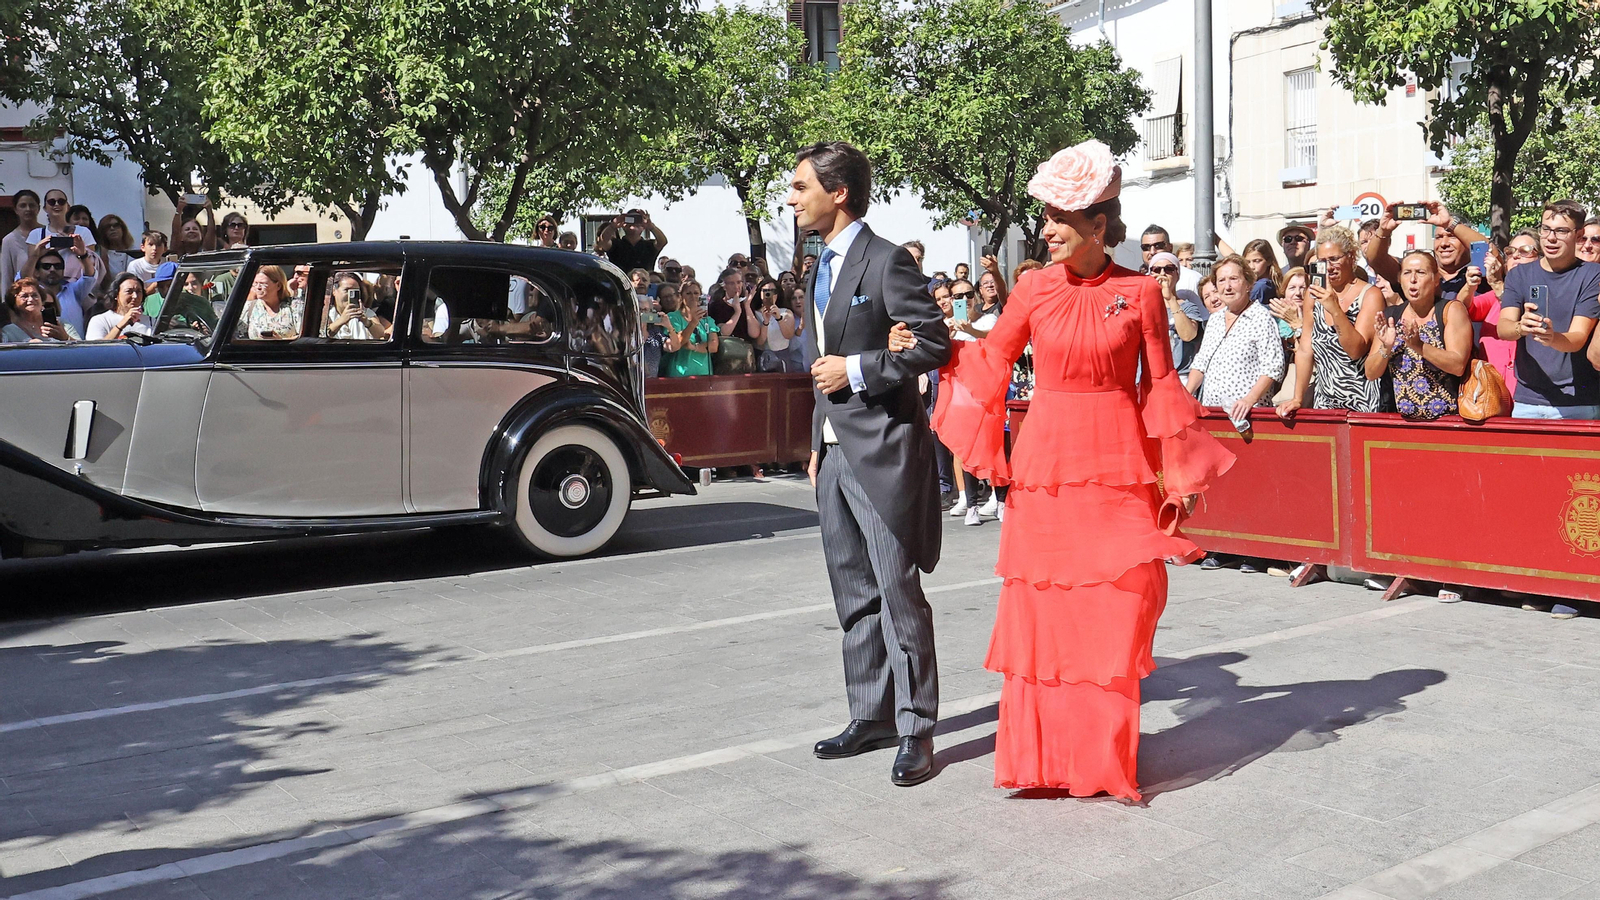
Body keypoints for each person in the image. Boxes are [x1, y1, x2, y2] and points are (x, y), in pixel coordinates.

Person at [905, 139, 1232, 800]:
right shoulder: (1031, 288)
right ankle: (1045, 761)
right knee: (1050, 612)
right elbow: (991, 362)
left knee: (1117, 605)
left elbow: (1161, 388)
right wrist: (931, 348)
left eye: (1058, 216)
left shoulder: (1140, 292)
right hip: (1047, 469)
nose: (1046, 228)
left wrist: (1178, 474)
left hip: (1117, 468)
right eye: (1046, 215)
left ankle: (1103, 760)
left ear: (1098, 225)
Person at [787, 141, 951, 788]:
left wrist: (859, 368)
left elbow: (932, 341)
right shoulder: (815, 269)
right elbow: (817, 368)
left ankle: (917, 728)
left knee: (897, 593)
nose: (793, 198)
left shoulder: (884, 262)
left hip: (884, 450)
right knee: (852, 594)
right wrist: (813, 443)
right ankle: (871, 713)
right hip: (832, 453)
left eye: (802, 187)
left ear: (839, 193)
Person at [1497, 199, 1600, 420]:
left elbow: (1578, 338)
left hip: (1578, 403)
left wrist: (1551, 337)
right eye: (1546, 229)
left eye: (1561, 231)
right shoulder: (1519, 274)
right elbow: (1503, 328)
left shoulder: (1592, 275)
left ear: (1579, 235)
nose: (1551, 238)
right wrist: (1520, 327)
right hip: (1527, 400)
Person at [1277, 226, 1385, 418]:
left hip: (1361, 402)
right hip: (1324, 402)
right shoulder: (1313, 294)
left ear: (1351, 257)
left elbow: (1356, 350)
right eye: (1322, 261)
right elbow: (1305, 350)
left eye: (1334, 259)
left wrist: (1334, 309)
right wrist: (1298, 398)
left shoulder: (1370, 295)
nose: (1328, 267)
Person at [1361, 251, 1471, 420]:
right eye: (1407, 273)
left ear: (1435, 279)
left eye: (1421, 272)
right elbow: (1370, 373)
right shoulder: (1391, 316)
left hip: (1447, 421)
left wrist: (1419, 346)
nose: (1413, 279)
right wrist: (1386, 347)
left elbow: (1457, 365)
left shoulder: (1450, 310)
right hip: (1400, 420)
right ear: (1399, 278)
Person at [1188, 255, 1285, 431]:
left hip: (1249, 418)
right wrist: (1186, 395)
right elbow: (1201, 363)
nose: (1228, 286)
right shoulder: (1215, 319)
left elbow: (1273, 367)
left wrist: (1249, 399)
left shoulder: (1261, 318)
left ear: (1248, 283)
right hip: (1213, 414)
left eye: (1234, 279)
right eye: (1222, 281)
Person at [21, 240, 96, 337]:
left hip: (74, 348)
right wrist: (35, 255)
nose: (52, 269)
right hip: (41, 348)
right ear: (36, 272)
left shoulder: (75, 290)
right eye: (46, 266)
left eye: (58, 266)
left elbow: (89, 276)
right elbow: (24, 279)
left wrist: (83, 255)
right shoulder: (32, 294)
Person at [1149, 251, 1204, 377]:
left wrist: (1171, 299)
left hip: (1179, 376)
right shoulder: (1143, 306)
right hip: (1150, 376)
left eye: (1169, 269)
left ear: (1177, 274)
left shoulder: (1188, 306)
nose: (1162, 274)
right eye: (1156, 270)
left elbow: (1188, 335)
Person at [27, 189, 98, 285]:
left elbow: (91, 262)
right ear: (45, 208)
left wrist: (73, 246)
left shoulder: (83, 232)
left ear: (67, 206)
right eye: (52, 202)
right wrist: (54, 250)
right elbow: (32, 264)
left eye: (61, 201)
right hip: (46, 286)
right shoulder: (36, 234)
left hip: (77, 286)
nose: (56, 205)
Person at [661, 283, 718, 376]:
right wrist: (693, 323)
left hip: (704, 373)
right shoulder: (673, 317)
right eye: (688, 293)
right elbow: (678, 343)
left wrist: (694, 347)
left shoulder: (707, 320)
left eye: (696, 293)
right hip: (680, 374)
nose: (693, 296)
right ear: (681, 296)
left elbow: (714, 346)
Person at [1, 277, 79, 343]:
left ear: (42, 301)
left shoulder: (61, 323)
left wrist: (65, 337)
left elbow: (82, 349)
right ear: (14, 303)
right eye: (24, 296)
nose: (31, 299)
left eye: (34, 295)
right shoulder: (8, 332)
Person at [237, 265, 302, 340]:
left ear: (278, 285)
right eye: (255, 283)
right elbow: (239, 337)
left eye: (263, 283)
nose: (258, 287)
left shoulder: (295, 306)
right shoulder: (249, 307)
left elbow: (304, 339)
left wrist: (280, 341)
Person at [86, 273, 155, 340]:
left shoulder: (152, 322)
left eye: (138, 291)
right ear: (116, 295)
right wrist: (122, 324)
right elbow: (97, 349)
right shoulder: (101, 320)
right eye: (129, 291)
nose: (135, 296)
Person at [753, 277, 801, 372]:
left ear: (777, 294)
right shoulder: (755, 314)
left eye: (772, 291)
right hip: (762, 358)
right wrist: (765, 322)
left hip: (782, 358)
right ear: (760, 293)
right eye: (765, 290)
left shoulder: (786, 312)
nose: (768, 294)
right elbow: (760, 342)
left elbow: (788, 335)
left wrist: (779, 318)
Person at [596, 209, 668, 272]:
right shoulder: (616, 244)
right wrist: (613, 225)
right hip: (620, 285)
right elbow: (603, 240)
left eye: (638, 220)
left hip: (644, 285)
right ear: (623, 225)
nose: (634, 223)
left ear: (643, 227)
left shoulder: (649, 245)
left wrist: (651, 227)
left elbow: (662, 241)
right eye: (630, 219)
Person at [324, 273, 390, 340]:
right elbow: (322, 335)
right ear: (334, 291)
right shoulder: (327, 314)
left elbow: (381, 334)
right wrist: (341, 320)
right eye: (347, 290)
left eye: (355, 291)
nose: (351, 295)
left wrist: (366, 321)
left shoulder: (366, 313)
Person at [2, 189, 43, 290]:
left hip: (52, 297)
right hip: (24, 297)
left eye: (32, 205)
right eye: (23, 205)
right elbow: (7, 275)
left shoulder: (48, 234)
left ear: (38, 208)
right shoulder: (9, 240)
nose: (28, 209)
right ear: (16, 210)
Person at [1243, 238, 1282, 304]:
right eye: (1247, 262)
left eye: (1257, 261)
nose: (1251, 267)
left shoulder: (1262, 285)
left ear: (1269, 261)